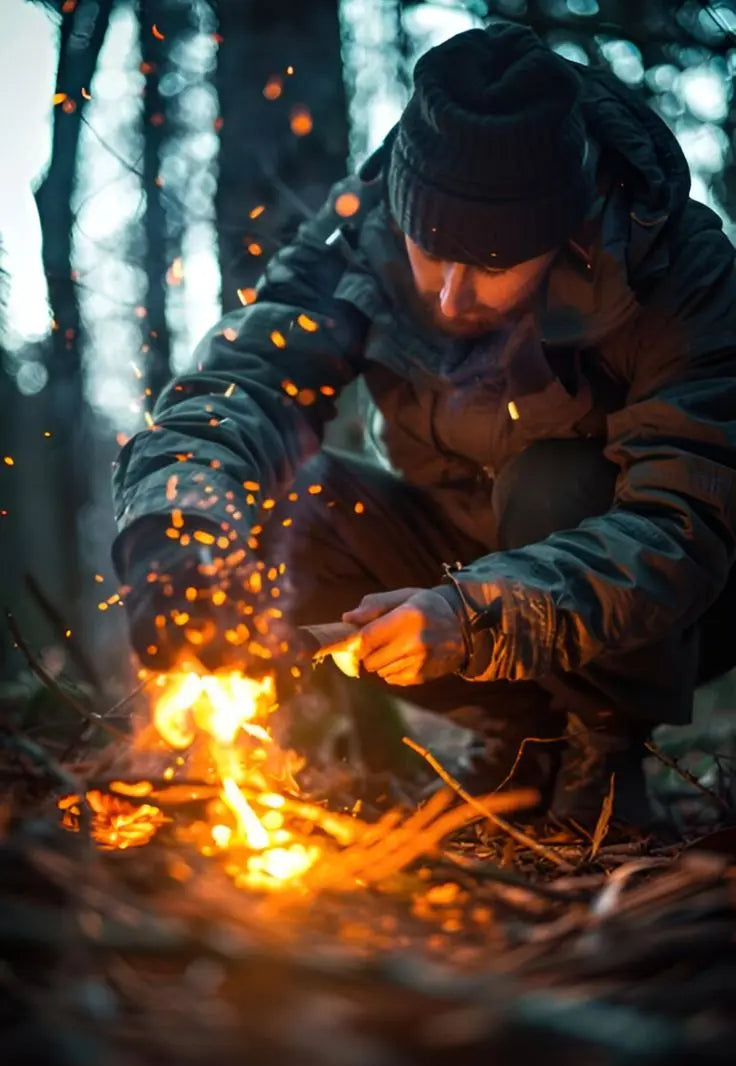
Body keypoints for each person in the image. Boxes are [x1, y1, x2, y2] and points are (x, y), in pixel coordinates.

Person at [112, 21, 736, 827]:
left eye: (490, 265)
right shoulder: (355, 240)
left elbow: (679, 525)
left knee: (555, 482)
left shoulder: (678, 271)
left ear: (556, 235)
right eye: (430, 249)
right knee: (293, 499)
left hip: (666, 604)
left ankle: (602, 749)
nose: (449, 297)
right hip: (459, 546)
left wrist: (474, 615)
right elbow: (243, 383)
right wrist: (178, 526)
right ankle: (517, 739)